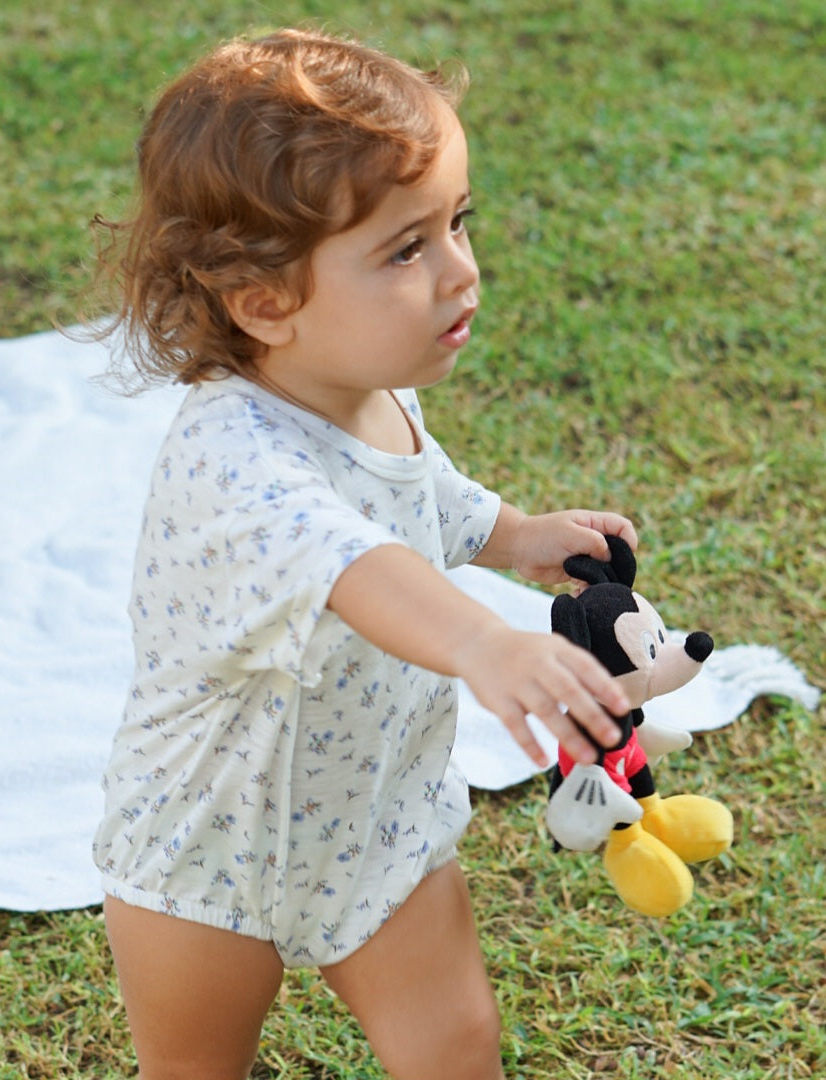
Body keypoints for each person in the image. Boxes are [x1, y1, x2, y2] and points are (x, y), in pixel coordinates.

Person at [88, 28, 637, 1080]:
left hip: (373, 823)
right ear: (264, 303)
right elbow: (353, 562)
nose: (460, 271)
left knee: (457, 1044)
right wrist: (484, 643)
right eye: (405, 249)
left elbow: (414, 498)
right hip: (207, 848)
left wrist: (513, 535)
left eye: (457, 224)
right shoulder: (228, 461)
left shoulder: (376, 393)